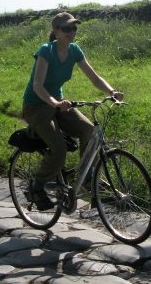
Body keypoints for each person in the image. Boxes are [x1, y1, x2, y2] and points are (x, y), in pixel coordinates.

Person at [22, 12, 124, 210]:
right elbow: (37, 85)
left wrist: (111, 91)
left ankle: (86, 179)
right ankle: (37, 186)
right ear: (56, 32)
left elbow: (94, 78)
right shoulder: (45, 51)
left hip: (59, 103)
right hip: (36, 106)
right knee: (58, 148)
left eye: (74, 28)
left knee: (90, 131)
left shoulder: (75, 50)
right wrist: (54, 103)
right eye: (67, 28)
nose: (72, 32)